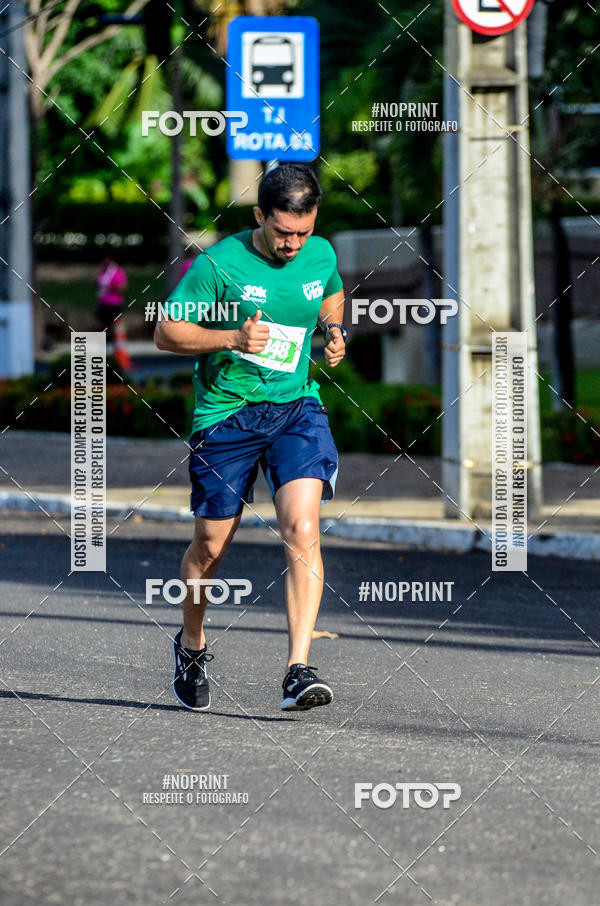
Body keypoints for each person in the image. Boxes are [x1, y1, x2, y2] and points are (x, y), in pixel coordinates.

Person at [154, 163, 347, 712]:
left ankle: (297, 669)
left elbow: (330, 293)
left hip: (295, 407)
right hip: (227, 417)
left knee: (302, 526)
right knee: (211, 545)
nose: (293, 244)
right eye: (283, 231)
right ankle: (191, 644)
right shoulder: (220, 263)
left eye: (302, 232)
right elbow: (166, 332)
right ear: (259, 215)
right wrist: (232, 335)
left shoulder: (320, 252)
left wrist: (333, 331)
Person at [96, 256, 128, 346]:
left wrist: (108, 287)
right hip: (103, 303)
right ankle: (105, 345)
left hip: (114, 304)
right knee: (103, 326)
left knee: (116, 327)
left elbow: (122, 287)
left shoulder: (117, 272)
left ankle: (118, 347)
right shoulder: (103, 272)